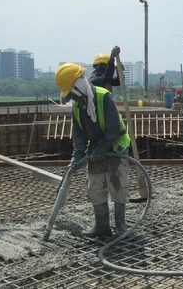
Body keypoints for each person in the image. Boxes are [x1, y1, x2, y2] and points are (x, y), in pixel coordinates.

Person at [55, 62, 131, 237]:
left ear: (79, 86)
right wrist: (77, 155)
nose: (72, 98)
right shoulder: (77, 105)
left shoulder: (104, 97)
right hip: (96, 148)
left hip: (115, 147)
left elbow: (113, 128)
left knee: (117, 185)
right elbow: (79, 134)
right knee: (95, 186)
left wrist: (102, 149)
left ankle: (120, 226)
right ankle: (102, 226)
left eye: (72, 94)